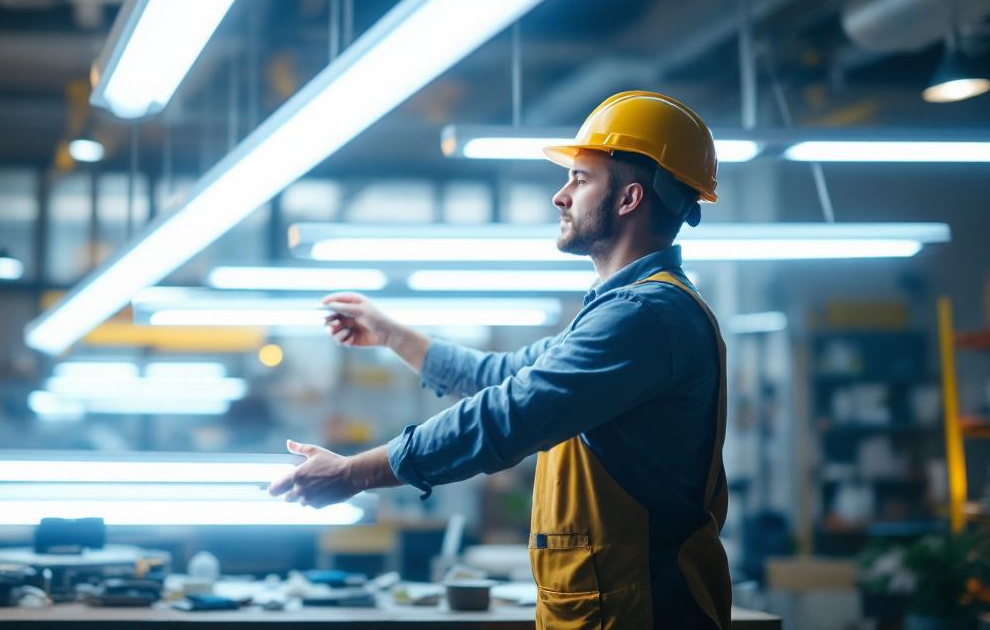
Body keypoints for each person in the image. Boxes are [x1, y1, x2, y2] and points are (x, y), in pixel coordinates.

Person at [268, 90, 731, 629]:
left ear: (629, 199)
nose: (560, 197)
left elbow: (505, 416)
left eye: (580, 179)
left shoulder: (646, 315)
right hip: (608, 609)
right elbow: (502, 377)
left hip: (643, 613)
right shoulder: (623, 310)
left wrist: (354, 474)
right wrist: (392, 335)